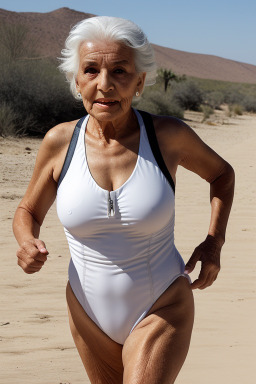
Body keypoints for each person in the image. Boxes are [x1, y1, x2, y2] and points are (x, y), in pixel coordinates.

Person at [13, 16, 235, 384]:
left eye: (119, 71)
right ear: (76, 80)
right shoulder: (59, 142)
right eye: (90, 70)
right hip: (86, 313)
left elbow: (222, 174)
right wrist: (26, 241)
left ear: (140, 81)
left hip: (160, 303)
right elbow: (28, 210)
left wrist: (215, 242)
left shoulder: (167, 136)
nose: (105, 85)